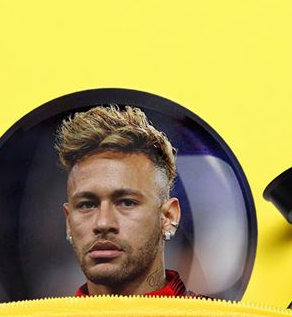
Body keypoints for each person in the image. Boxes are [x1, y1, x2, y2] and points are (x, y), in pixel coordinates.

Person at [55, 105, 205, 298]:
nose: (103, 223)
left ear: (168, 217)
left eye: (126, 202)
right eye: (87, 205)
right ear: (68, 222)